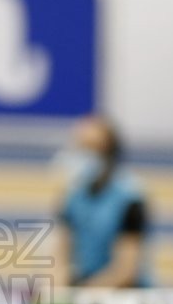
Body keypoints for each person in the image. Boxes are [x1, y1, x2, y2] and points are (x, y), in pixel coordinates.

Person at [55, 115, 153, 288]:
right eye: (80, 146)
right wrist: (58, 289)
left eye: (91, 148)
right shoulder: (73, 196)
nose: (83, 155)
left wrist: (84, 294)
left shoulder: (130, 198)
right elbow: (60, 254)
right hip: (84, 288)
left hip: (126, 294)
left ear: (109, 153)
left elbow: (126, 271)